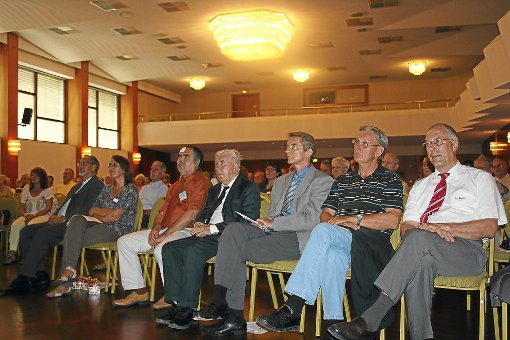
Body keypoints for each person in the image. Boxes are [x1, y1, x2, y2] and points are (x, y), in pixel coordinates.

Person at [328, 123, 506, 340]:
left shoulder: (479, 179)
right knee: (420, 258)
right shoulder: (420, 186)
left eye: (438, 141)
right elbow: (406, 228)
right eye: (428, 144)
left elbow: (489, 226)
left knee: (420, 239)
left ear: (455, 144)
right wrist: (426, 232)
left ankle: (372, 317)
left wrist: (443, 227)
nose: (432, 148)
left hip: (467, 251)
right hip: (424, 248)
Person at [256, 126, 403, 333]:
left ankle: (293, 306)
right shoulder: (343, 180)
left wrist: (354, 219)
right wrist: (338, 221)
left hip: (373, 241)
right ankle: (332, 325)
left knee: (323, 231)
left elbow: (392, 220)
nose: (357, 147)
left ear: (379, 152)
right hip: (343, 236)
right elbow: (325, 213)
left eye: (364, 144)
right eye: (355, 142)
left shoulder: (390, 179)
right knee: (332, 254)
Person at [199, 132, 334, 336]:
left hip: (299, 238)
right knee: (233, 230)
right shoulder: (281, 181)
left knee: (236, 248)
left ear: (309, 151)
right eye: (287, 146)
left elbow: (312, 217)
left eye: (293, 146)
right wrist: (263, 224)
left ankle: (232, 314)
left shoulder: (323, 181)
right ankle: (224, 302)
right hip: (273, 234)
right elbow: (272, 216)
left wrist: (275, 223)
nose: (287, 150)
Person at [155, 149, 260, 330]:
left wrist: (211, 228)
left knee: (193, 251)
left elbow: (247, 221)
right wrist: (198, 225)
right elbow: (203, 215)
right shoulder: (214, 190)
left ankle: (188, 308)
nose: (218, 168)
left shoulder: (248, 188)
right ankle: (176, 303)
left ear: (235, 166)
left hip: (227, 238)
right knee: (169, 248)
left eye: (223, 164)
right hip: (206, 234)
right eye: (216, 164)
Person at [113, 147, 210, 309]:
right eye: (179, 157)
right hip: (166, 230)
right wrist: (155, 228)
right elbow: (162, 212)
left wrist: (167, 234)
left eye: (186, 157)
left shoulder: (201, 182)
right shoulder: (175, 185)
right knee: (124, 242)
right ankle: (139, 291)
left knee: (162, 248)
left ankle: (172, 295)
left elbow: (192, 214)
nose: (181, 160)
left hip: (187, 230)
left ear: (197, 162)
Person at [0, 156, 104, 296]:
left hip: (74, 225)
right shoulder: (77, 186)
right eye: (80, 163)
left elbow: (88, 209)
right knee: (26, 232)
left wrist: (63, 219)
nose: (80, 165)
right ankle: (40, 274)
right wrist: (54, 215)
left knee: (42, 233)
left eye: (85, 163)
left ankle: (24, 278)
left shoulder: (97, 185)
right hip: (59, 220)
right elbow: (64, 206)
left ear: (94, 167)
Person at [47, 155, 139, 298]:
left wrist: (102, 214)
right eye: (110, 165)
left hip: (119, 230)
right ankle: (70, 269)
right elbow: (92, 210)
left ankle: (65, 284)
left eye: (115, 165)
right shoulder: (107, 188)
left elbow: (117, 215)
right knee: (77, 219)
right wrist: (105, 216)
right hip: (102, 225)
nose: (111, 168)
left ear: (124, 168)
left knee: (71, 238)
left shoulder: (130, 189)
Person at [5, 167, 54, 265]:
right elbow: (21, 208)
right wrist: (26, 215)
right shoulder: (27, 190)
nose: (33, 177)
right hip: (28, 216)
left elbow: (48, 208)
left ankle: (29, 255)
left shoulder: (47, 190)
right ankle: (13, 252)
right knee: (15, 225)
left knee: (29, 226)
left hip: (43, 216)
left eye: (36, 175)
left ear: (42, 177)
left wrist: (34, 215)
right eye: (32, 175)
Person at [138, 161, 169, 228]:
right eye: (152, 169)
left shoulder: (163, 189)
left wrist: (142, 212)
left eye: (156, 169)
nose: (152, 171)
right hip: (139, 214)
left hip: (149, 217)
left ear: (162, 173)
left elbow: (160, 210)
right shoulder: (144, 188)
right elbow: (137, 203)